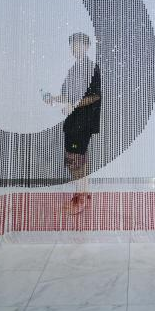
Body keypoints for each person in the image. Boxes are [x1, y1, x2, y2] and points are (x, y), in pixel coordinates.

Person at [44, 32, 101, 214]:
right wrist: (54, 98)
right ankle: (83, 193)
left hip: (83, 122)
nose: (75, 48)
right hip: (73, 122)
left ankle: (80, 197)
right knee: (74, 159)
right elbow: (68, 96)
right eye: (73, 45)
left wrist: (73, 105)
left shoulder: (91, 68)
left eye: (79, 45)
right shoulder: (74, 69)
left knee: (75, 159)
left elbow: (95, 95)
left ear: (87, 47)